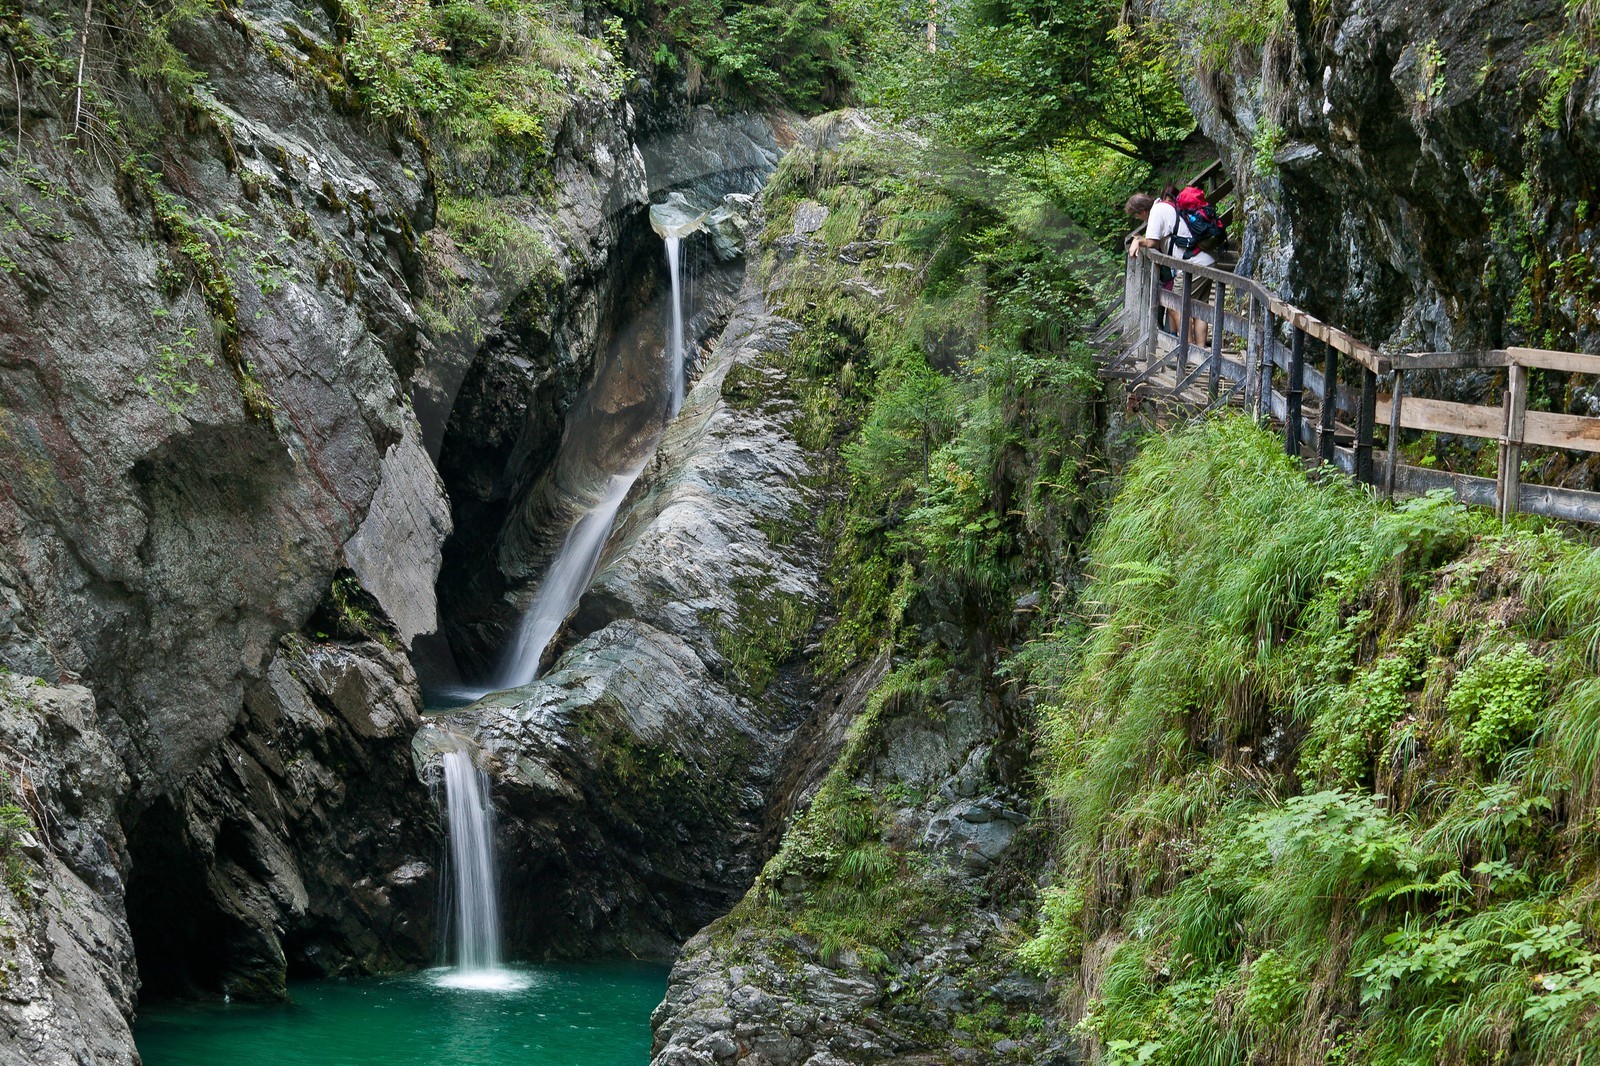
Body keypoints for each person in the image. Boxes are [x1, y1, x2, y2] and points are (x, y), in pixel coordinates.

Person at [1125, 187, 1213, 345]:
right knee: (1200, 310)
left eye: (1138, 215)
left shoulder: (1157, 211)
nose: (1140, 219)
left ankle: (1188, 351)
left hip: (1192, 264)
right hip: (1206, 259)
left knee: (1175, 307)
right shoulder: (1167, 206)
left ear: (1143, 210)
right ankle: (1200, 352)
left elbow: (1152, 242)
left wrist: (1138, 241)